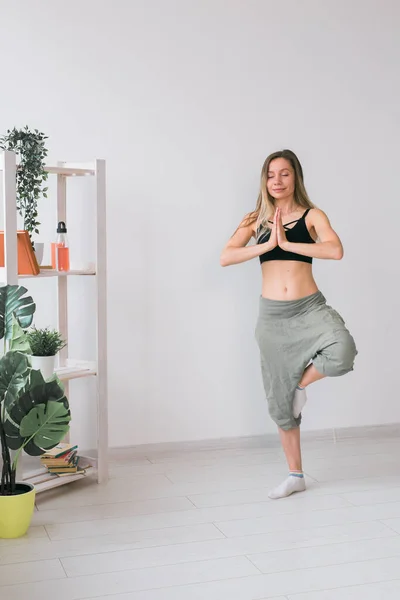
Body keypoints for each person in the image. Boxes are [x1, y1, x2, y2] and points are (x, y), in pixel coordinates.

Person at [220, 149, 357, 500]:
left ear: (295, 176)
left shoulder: (312, 216)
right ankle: (295, 475)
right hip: (273, 318)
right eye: (270, 174)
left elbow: (335, 250)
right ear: (264, 180)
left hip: (309, 308)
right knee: (280, 404)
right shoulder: (253, 219)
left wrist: (289, 242)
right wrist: (266, 244)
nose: (277, 181)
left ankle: (300, 386)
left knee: (342, 351)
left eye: (284, 173)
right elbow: (226, 256)